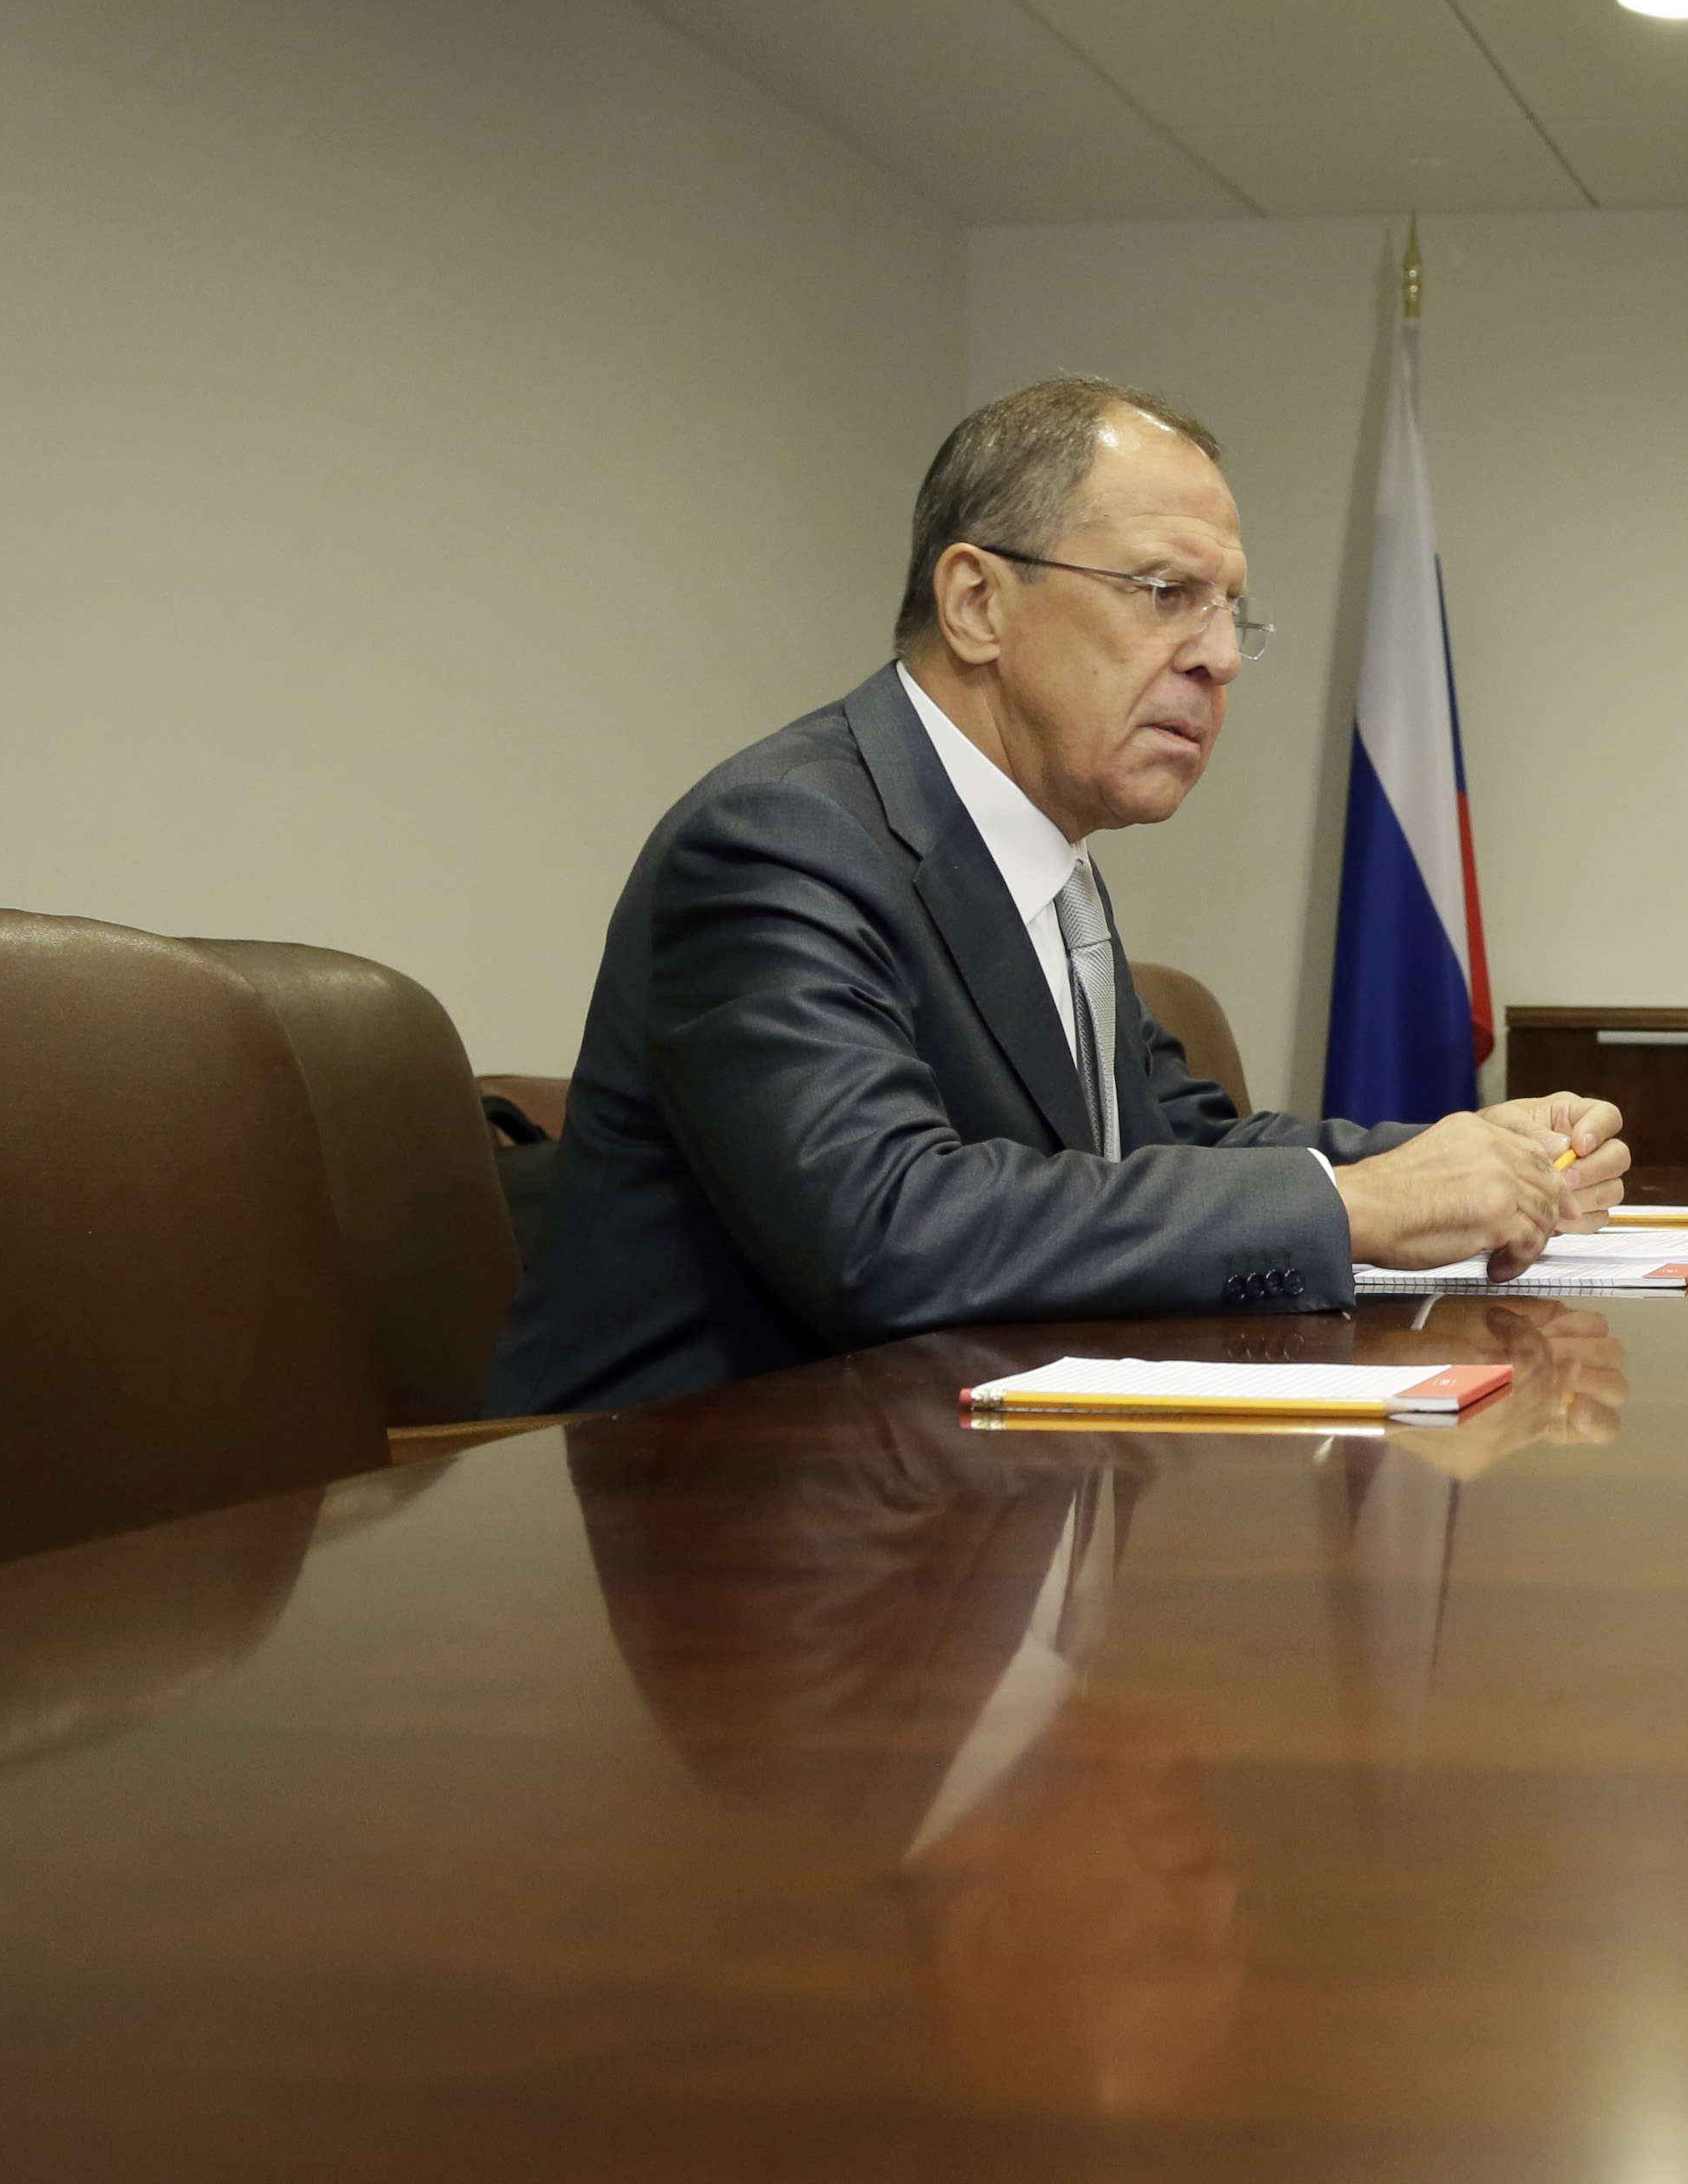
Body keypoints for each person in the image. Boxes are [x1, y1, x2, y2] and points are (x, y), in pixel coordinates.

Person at [484, 378, 1622, 1414]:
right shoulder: (782, 841)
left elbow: (1171, 1143)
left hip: (943, 1481)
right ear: (978, 601)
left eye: (1231, 612)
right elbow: (884, 1232)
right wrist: (1356, 1207)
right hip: (712, 1519)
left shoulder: (1036, 853)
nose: (1219, 658)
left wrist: (1467, 1158)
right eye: (1168, 592)